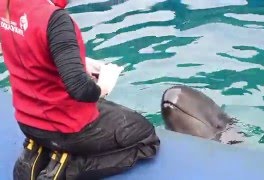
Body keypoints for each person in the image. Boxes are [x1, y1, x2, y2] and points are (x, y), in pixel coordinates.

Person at [0, 0, 160, 179]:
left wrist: (77, 61)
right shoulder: (55, 20)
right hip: (67, 128)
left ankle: (36, 153)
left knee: (110, 112)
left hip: (27, 123)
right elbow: (80, 89)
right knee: (145, 136)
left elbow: (25, 47)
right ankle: (68, 168)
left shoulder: (7, 6)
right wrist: (104, 86)